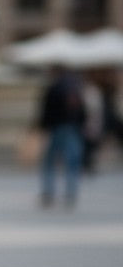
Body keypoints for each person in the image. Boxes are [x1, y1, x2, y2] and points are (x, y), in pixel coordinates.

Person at [38, 65, 85, 208]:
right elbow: (82, 110)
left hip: (57, 127)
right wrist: (80, 125)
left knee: (49, 161)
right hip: (72, 128)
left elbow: (47, 109)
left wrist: (43, 126)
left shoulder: (54, 88)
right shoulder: (75, 88)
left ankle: (48, 191)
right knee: (72, 161)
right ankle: (71, 191)